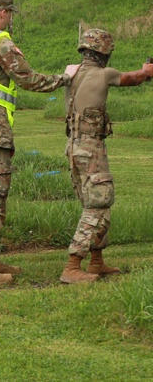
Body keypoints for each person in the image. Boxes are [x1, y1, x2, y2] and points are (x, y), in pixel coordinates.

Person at [0, 0, 71, 286]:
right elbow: (29, 78)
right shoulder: (1, 42)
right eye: (11, 14)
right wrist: (66, 77)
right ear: (5, 13)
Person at [59, 28, 153, 283]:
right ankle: (72, 265)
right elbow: (134, 78)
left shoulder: (72, 71)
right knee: (97, 205)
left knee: (98, 204)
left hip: (73, 146)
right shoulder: (104, 73)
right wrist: (146, 71)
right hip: (90, 149)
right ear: (104, 52)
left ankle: (96, 262)